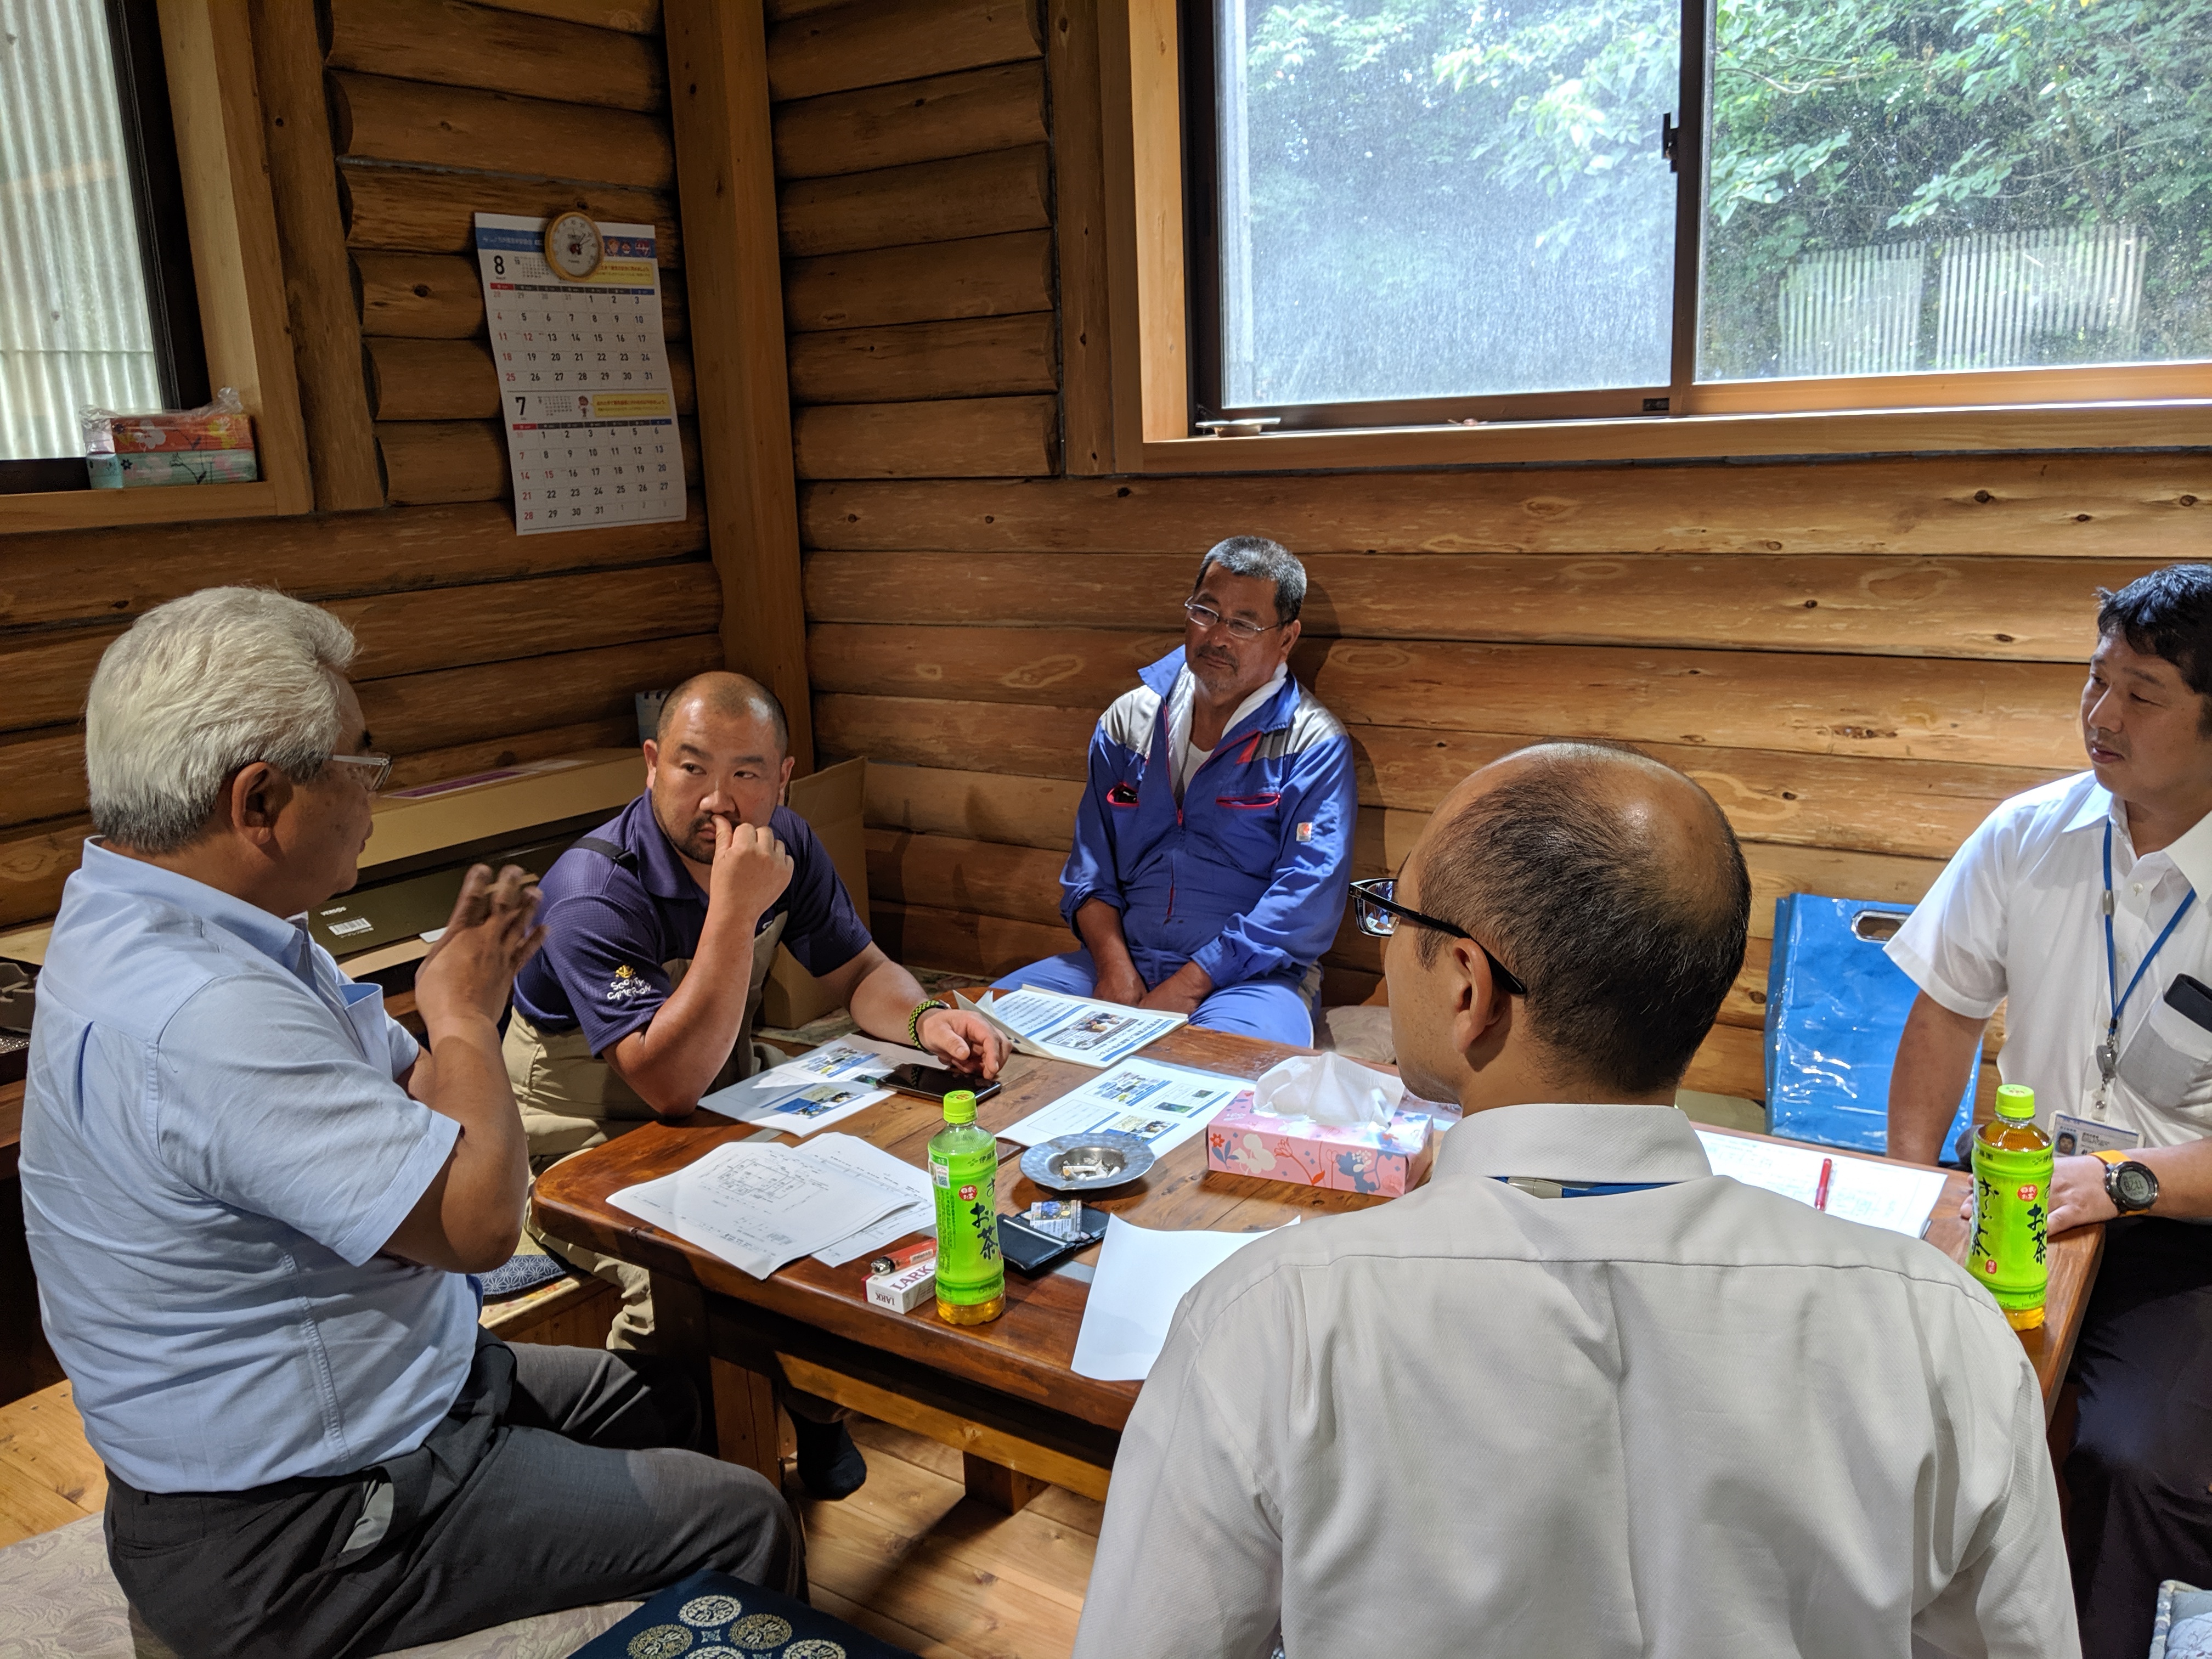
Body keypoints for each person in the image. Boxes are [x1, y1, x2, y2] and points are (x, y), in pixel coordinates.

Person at [1074, 742, 2075, 1659]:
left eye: (1393, 916)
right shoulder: (1939, 1325)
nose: (1382, 944)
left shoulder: (1267, 1324)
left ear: (1468, 986)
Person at [19, 589, 798, 1659]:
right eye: (359, 760)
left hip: (404, 1393)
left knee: (674, 1389)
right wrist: (465, 1012)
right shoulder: (207, 1009)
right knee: (744, 1518)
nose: (375, 787)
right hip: (301, 1518)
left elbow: (418, 1098)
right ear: (260, 800)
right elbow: (475, 1220)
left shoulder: (174, 922)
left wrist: (452, 1029)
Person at [506, 669, 1006, 1490]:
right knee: (675, 1282)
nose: (716, 799)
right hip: (582, 1133)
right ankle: (658, 1485)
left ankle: (816, 1410)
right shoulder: (592, 890)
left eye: (745, 772)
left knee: (868, 1193)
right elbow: (665, 1083)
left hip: (724, 1092)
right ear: (651, 764)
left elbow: (860, 971)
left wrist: (926, 1020)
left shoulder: (787, 842)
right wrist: (735, 910)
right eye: (691, 767)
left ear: (783, 778)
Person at [1888, 563, 2212, 1658]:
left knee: (2137, 1461)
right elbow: (1944, 1015)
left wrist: (2121, 1183)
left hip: (2179, 1231)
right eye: (2094, 680)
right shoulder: (2030, 830)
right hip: (2015, 1197)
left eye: (2141, 694)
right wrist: (1914, 1195)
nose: (2099, 715)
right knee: (1890, 1387)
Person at [991, 537, 1355, 1046]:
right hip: (1119, 959)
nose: (1218, 637)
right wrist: (1114, 969)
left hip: (1249, 980)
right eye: (1206, 612)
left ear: (1286, 639)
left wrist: (1189, 984)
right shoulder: (1128, 720)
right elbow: (1089, 871)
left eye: (1244, 624)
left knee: (1233, 1072)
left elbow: (1304, 900)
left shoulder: (1313, 742)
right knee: (981, 1032)